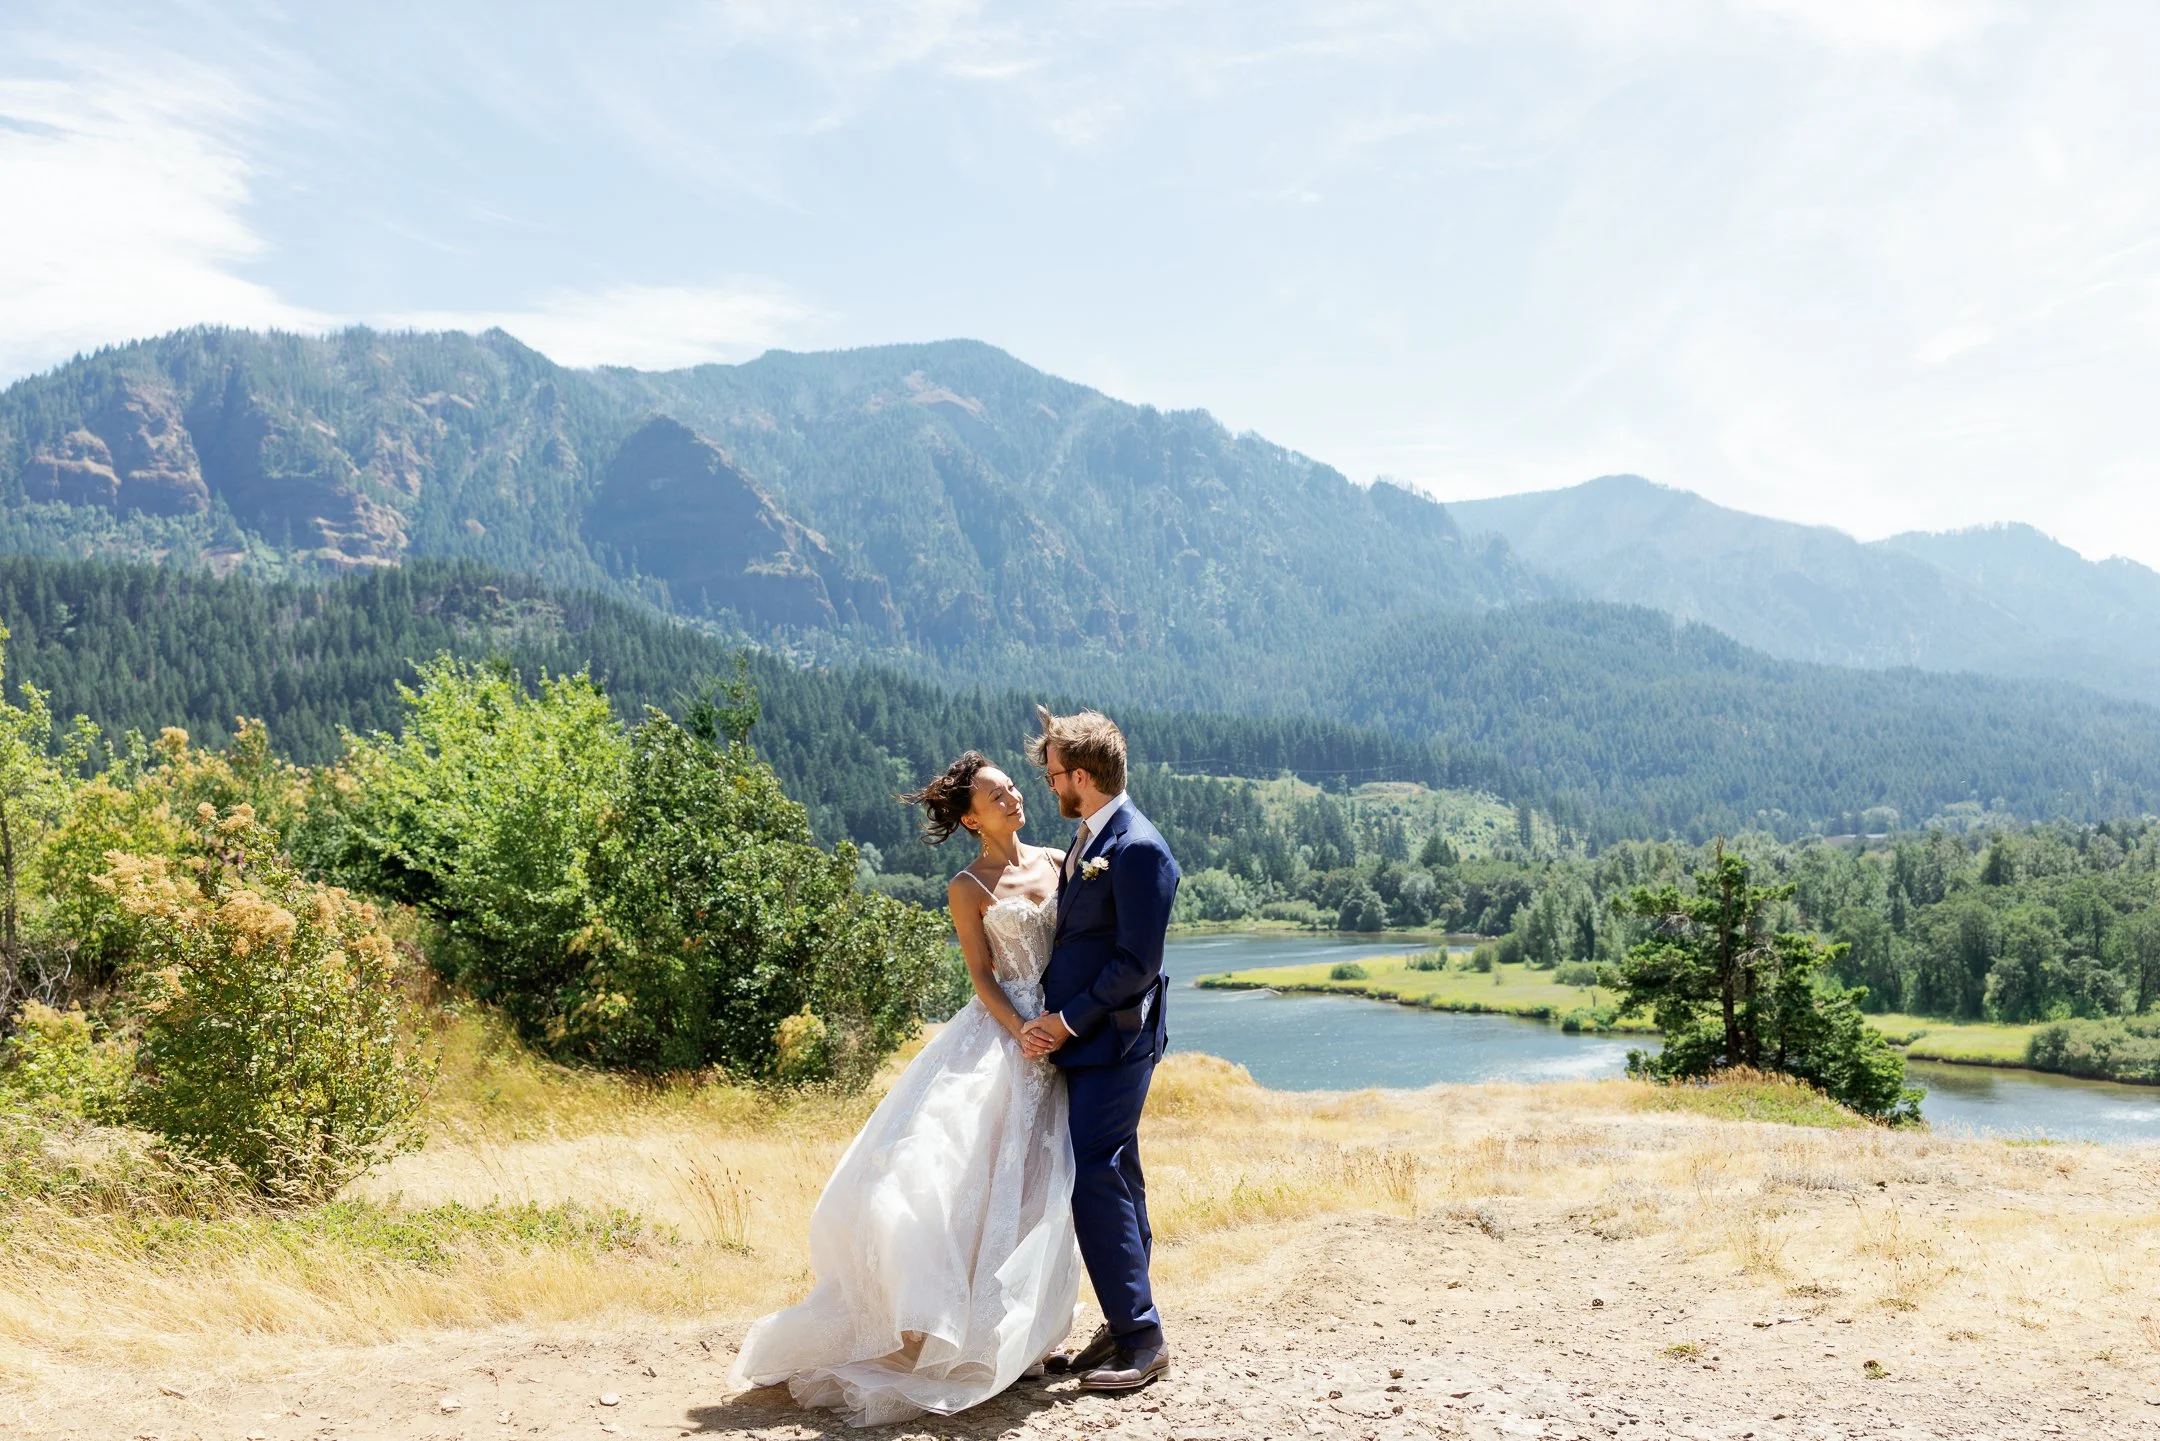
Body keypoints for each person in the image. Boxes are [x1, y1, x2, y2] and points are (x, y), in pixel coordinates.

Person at [728, 751, 1083, 1427]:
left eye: (1011, 786)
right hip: (1002, 1035)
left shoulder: (1059, 862)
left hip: (1059, 1030)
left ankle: (1030, 1337)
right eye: (995, 794)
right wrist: (1019, 1032)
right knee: (956, 1176)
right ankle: (955, 1330)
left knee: (1041, 1183)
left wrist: (1061, 1025)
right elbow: (981, 974)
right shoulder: (967, 884)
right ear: (970, 816)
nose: (1012, 796)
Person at [1019, 706, 1180, 1393]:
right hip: (1091, 1043)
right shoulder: (1093, 837)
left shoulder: (1137, 846)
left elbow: (1136, 963)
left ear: (1081, 776)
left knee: (1095, 1175)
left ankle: (1142, 1341)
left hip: (1113, 1041)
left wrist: (1066, 1021)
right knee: (1120, 1172)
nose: (1051, 784)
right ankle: (1125, 1322)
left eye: (1055, 773)